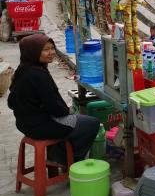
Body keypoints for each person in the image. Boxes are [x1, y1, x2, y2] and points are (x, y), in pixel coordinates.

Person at [8, 34, 100, 164]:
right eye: (45, 50)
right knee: (91, 123)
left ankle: (57, 154)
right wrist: (68, 112)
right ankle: (66, 160)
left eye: (52, 48)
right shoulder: (39, 75)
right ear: (33, 51)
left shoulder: (22, 70)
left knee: (74, 117)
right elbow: (57, 109)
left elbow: (11, 102)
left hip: (23, 124)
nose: (51, 53)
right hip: (39, 126)